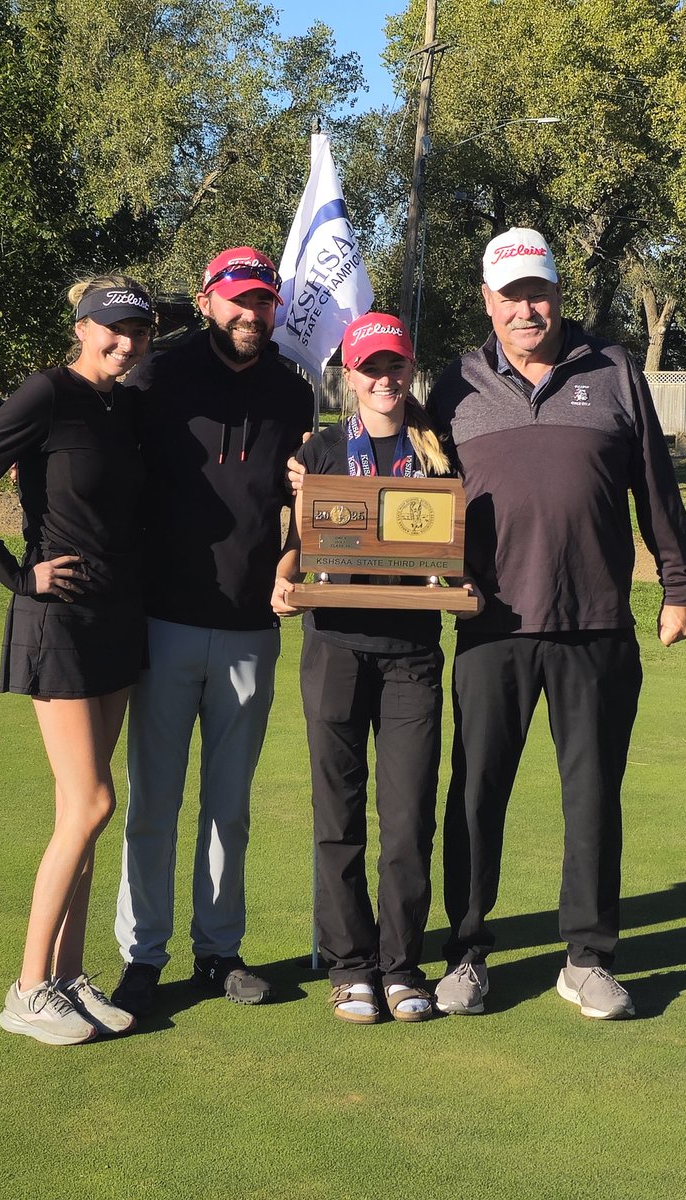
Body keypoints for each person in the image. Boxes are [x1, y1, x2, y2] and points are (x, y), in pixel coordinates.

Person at [427, 228, 686, 1019]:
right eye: (509, 296)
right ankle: (468, 953)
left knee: (592, 798)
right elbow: (407, 479)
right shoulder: (455, 385)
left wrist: (678, 585)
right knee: (477, 796)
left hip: (596, 623)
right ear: (487, 301)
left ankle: (588, 958)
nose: (525, 308)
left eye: (537, 292)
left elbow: (656, 487)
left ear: (557, 293)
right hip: (491, 627)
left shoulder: (612, 370)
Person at [0, 275, 154, 1044]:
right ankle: (28, 988)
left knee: (81, 814)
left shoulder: (128, 405)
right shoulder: (46, 393)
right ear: (85, 326)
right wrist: (15, 573)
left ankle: (66, 978)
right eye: (113, 329)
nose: (126, 342)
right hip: (56, 621)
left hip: (119, 623)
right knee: (93, 802)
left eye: (139, 331)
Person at [111, 247, 314, 1017]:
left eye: (261, 301)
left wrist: (291, 565)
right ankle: (142, 955)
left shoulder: (292, 391)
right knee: (153, 801)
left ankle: (218, 950)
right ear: (205, 300)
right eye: (236, 299)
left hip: (250, 626)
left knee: (229, 804)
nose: (249, 314)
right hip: (161, 619)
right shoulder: (154, 376)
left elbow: (303, 507)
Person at [273, 312, 460, 1024]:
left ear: (411, 369)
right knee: (337, 814)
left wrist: (456, 582)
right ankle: (350, 965)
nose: (385, 380)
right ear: (349, 377)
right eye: (371, 368)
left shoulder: (439, 451)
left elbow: (458, 542)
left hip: (413, 654)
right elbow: (296, 544)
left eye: (395, 366)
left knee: (410, 818)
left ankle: (402, 964)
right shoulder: (319, 451)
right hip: (335, 649)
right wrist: (283, 579)